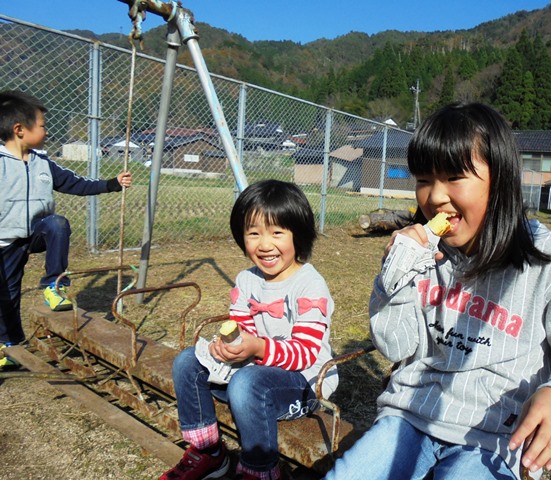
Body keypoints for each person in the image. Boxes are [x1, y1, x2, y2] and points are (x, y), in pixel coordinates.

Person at [323, 103, 551, 480]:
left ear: (500, 180)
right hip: (410, 417)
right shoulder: (422, 255)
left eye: (453, 177)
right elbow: (395, 347)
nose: (434, 197)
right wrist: (393, 276)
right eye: (424, 179)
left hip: (496, 437)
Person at [161, 179, 338, 480]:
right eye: (254, 233)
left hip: (305, 383)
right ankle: (209, 453)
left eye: (277, 233)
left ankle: (260, 470)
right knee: (187, 361)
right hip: (254, 373)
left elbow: (306, 353)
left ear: (300, 236)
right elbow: (240, 328)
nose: (264, 244)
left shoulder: (309, 284)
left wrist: (257, 348)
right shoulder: (247, 279)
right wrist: (225, 345)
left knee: (246, 382)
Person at [0, 90, 132, 368]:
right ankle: (10, 345)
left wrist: (111, 183)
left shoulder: (42, 163)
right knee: (7, 294)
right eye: (43, 125)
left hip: (35, 233)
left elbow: (76, 183)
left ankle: (53, 285)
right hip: (5, 240)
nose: (46, 131)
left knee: (57, 223)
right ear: (19, 129)